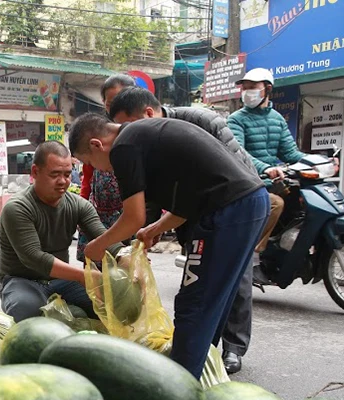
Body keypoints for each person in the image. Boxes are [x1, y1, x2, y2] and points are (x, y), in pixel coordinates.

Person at [69, 114, 269, 379]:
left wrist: (96, 246)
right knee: (216, 300)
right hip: (251, 203)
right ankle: (204, 374)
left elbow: (133, 217)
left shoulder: (123, 148)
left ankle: (179, 387)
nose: (100, 171)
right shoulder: (144, 136)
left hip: (228, 210)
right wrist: (154, 229)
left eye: (89, 163)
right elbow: (187, 202)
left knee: (194, 303)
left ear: (96, 144)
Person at [108, 86, 258, 375]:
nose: (121, 134)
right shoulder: (144, 140)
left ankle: (228, 351)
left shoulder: (201, 121)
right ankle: (203, 358)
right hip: (194, 215)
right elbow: (146, 202)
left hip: (230, 208)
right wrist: (139, 242)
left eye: (125, 125)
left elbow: (233, 168)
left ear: (148, 113)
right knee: (202, 290)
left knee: (228, 286)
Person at [0, 141, 123, 322]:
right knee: (28, 311)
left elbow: (103, 237)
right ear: (35, 172)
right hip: (21, 280)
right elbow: (34, 257)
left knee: (110, 306)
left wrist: (125, 255)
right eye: (54, 174)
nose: (63, 181)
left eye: (67, 174)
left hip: (61, 280)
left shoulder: (79, 205)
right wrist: (83, 276)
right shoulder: (17, 208)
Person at [227, 68, 296, 285]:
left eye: (252, 88)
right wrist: (265, 168)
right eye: (244, 88)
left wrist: (319, 161)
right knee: (274, 204)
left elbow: (291, 153)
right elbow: (238, 152)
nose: (247, 92)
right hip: (247, 183)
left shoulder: (277, 119)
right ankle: (252, 258)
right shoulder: (236, 119)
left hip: (271, 181)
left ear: (267, 89)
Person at [74, 74, 136, 261]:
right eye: (110, 103)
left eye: (120, 100)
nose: (115, 107)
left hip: (127, 215)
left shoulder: (138, 136)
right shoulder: (98, 132)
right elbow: (87, 179)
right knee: (95, 272)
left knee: (126, 270)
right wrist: (82, 207)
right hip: (98, 214)